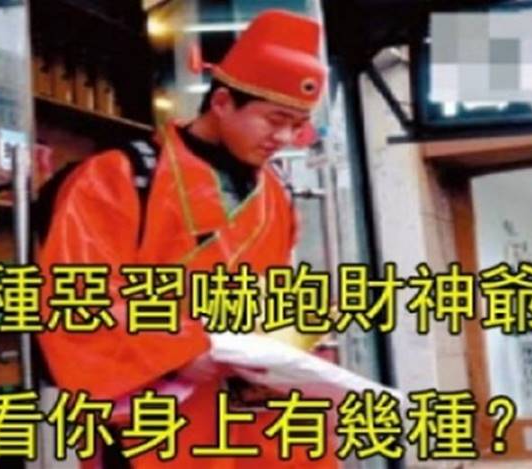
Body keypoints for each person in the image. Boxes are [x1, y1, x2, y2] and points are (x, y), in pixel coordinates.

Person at [37, 9, 338, 468]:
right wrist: (181, 350)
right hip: (158, 421)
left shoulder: (276, 192)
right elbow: (77, 296)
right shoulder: (118, 177)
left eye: (297, 125)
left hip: (256, 416)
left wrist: (301, 342)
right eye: (275, 119)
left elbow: (273, 293)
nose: (284, 137)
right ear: (222, 102)